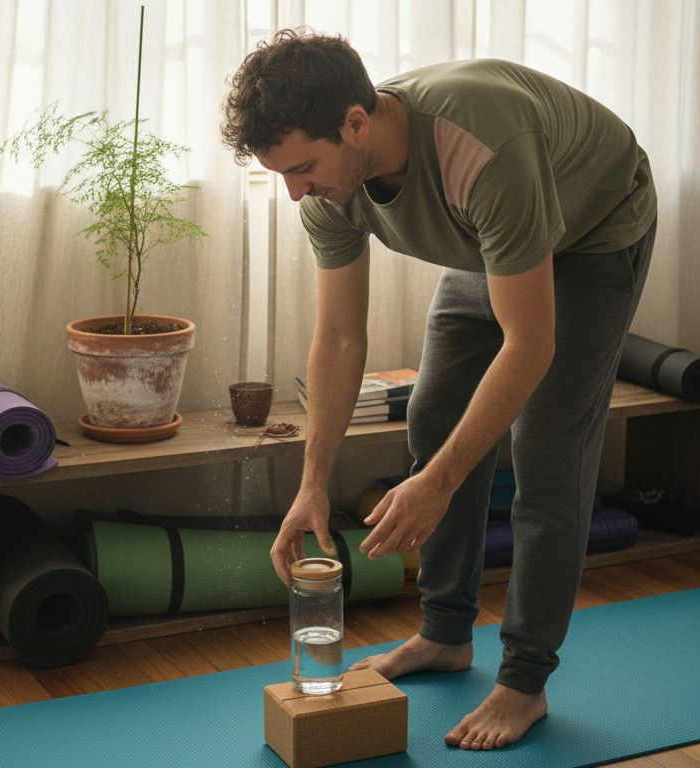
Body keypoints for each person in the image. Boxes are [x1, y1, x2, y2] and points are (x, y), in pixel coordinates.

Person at [222, 30, 657, 750]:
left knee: (547, 447)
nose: (296, 192)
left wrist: (442, 482)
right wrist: (312, 484)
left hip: (592, 232)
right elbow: (338, 340)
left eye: (302, 168)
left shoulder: (479, 150)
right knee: (434, 413)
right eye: (281, 175)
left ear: (357, 124)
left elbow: (531, 344)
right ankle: (446, 634)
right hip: (491, 239)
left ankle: (524, 681)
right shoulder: (331, 190)